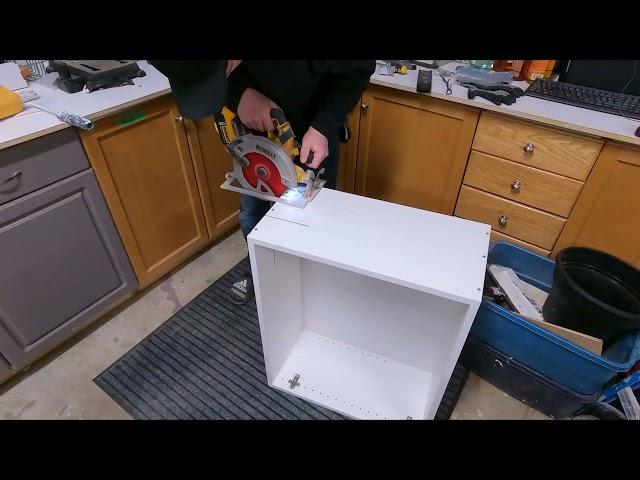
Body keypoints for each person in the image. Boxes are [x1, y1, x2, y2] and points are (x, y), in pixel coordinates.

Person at [151, 60, 375, 304]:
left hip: (313, 129)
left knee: (312, 221)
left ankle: (313, 285)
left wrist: (323, 124)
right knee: (252, 217)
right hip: (254, 139)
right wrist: (239, 94)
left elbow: (358, 73)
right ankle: (259, 272)